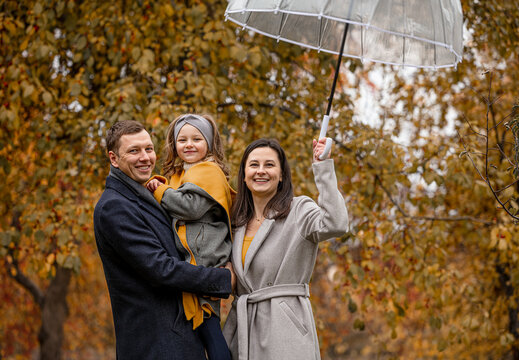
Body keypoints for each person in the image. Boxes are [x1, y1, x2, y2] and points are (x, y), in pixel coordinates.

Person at [93, 120, 234, 360]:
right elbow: (160, 268)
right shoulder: (114, 207)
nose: (145, 157)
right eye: (134, 151)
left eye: (148, 149)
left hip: (179, 339)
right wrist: (222, 278)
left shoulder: (150, 192)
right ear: (114, 159)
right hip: (156, 344)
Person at [222, 138, 348, 360]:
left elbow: (336, 223)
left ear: (281, 175)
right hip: (242, 330)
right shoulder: (235, 219)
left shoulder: (299, 210)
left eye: (269, 165)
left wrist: (323, 168)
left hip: (285, 331)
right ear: (243, 174)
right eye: (254, 165)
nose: (261, 171)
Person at [146, 114, 235, 360]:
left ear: (209, 143)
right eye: (182, 139)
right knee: (199, 328)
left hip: (205, 258)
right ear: (174, 144)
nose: (189, 144)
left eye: (197, 138)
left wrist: (159, 189)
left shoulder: (208, 171)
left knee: (208, 325)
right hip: (191, 259)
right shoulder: (181, 173)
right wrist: (163, 185)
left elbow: (189, 207)